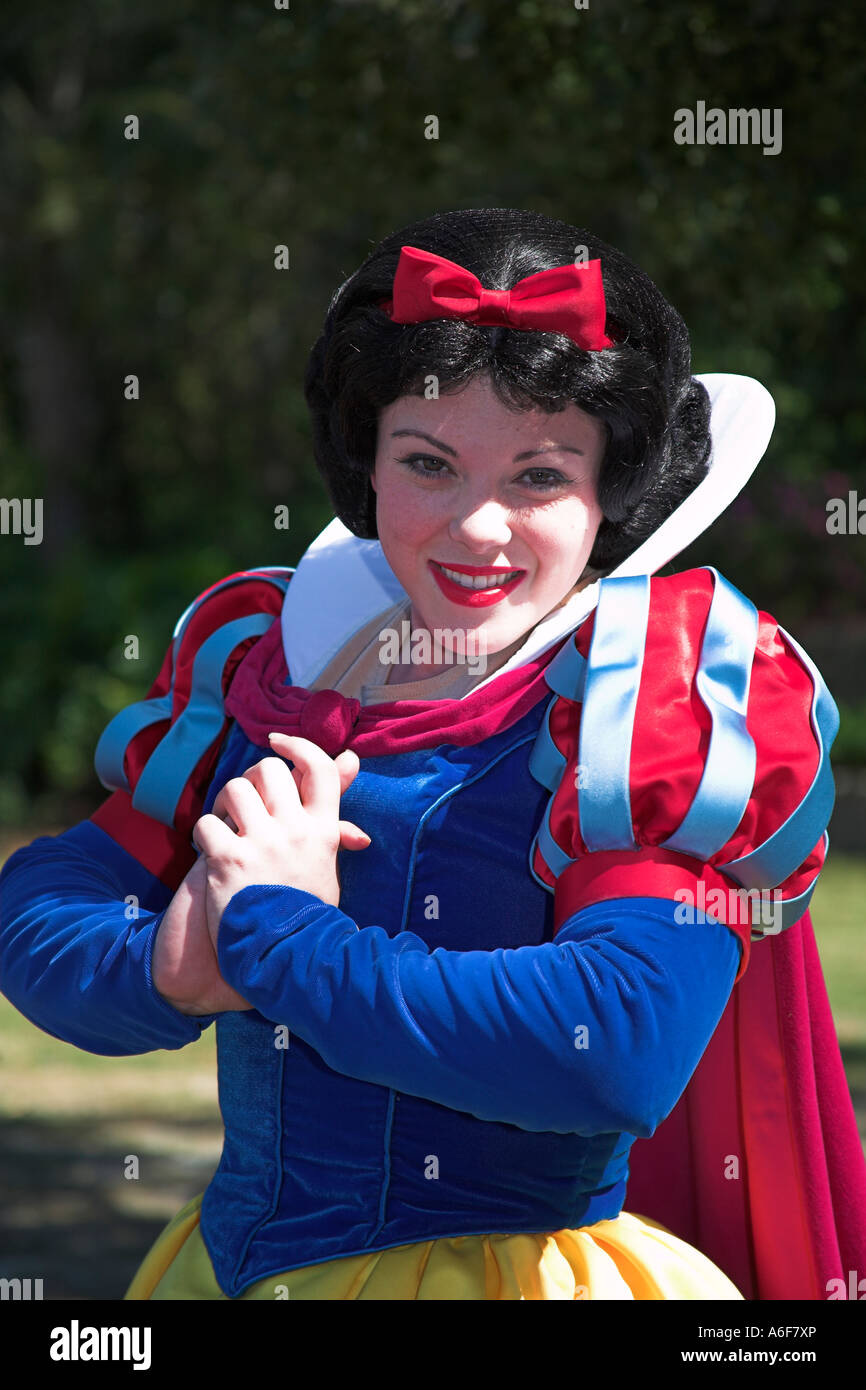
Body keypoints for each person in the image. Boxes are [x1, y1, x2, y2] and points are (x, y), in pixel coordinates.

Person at [1, 208, 864, 1301]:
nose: (476, 528)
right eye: (428, 462)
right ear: (365, 458)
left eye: (539, 476)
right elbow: (45, 896)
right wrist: (171, 967)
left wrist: (277, 937)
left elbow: (614, 1043)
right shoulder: (272, 658)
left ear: (614, 488)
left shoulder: (637, 691)